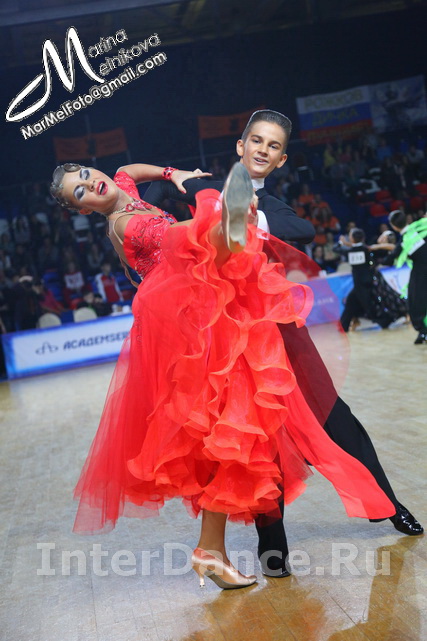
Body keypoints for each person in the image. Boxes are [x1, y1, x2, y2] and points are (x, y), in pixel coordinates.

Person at [51, 160, 398, 590]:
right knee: (232, 430)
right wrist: (216, 209)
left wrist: (171, 174)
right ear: (83, 210)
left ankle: (211, 550)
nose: (91, 185)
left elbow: (129, 169)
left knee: (233, 431)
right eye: (80, 192)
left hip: (205, 315)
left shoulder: (122, 186)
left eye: (86, 175)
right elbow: (183, 237)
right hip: (191, 330)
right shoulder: (126, 224)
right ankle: (213, 550)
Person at [143, 110, 424, 577]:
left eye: (273, 146)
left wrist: (253, 216)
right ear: (240, 145)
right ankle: (273, 551)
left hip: (281, 335)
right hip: (229, 340)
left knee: (338, 420)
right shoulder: (205, 188)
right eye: (256, 140)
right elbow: (148, 195)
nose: (262, 150)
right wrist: (175, 179)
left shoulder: (273, 205)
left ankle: (390, 505)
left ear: (281, 160)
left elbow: (303, 231)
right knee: (257, 444)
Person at [337, 228, 407, 332]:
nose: (382, 239)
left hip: (367, 283)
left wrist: (343, 243)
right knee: (352, 302)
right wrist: (375, 247)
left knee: (370, 305)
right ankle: (346, 325)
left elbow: (337, 248)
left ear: (352, 238)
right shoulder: (367, 249)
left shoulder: (353, 250)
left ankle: (387, 320)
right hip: (368, 282)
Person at [384, 209, 427, 344]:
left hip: (421, 273)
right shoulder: (420, 229)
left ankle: (423, 332)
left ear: (393, 226)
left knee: (415, 303)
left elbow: (390, 259)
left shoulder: (404, 240)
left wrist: (382, 246)